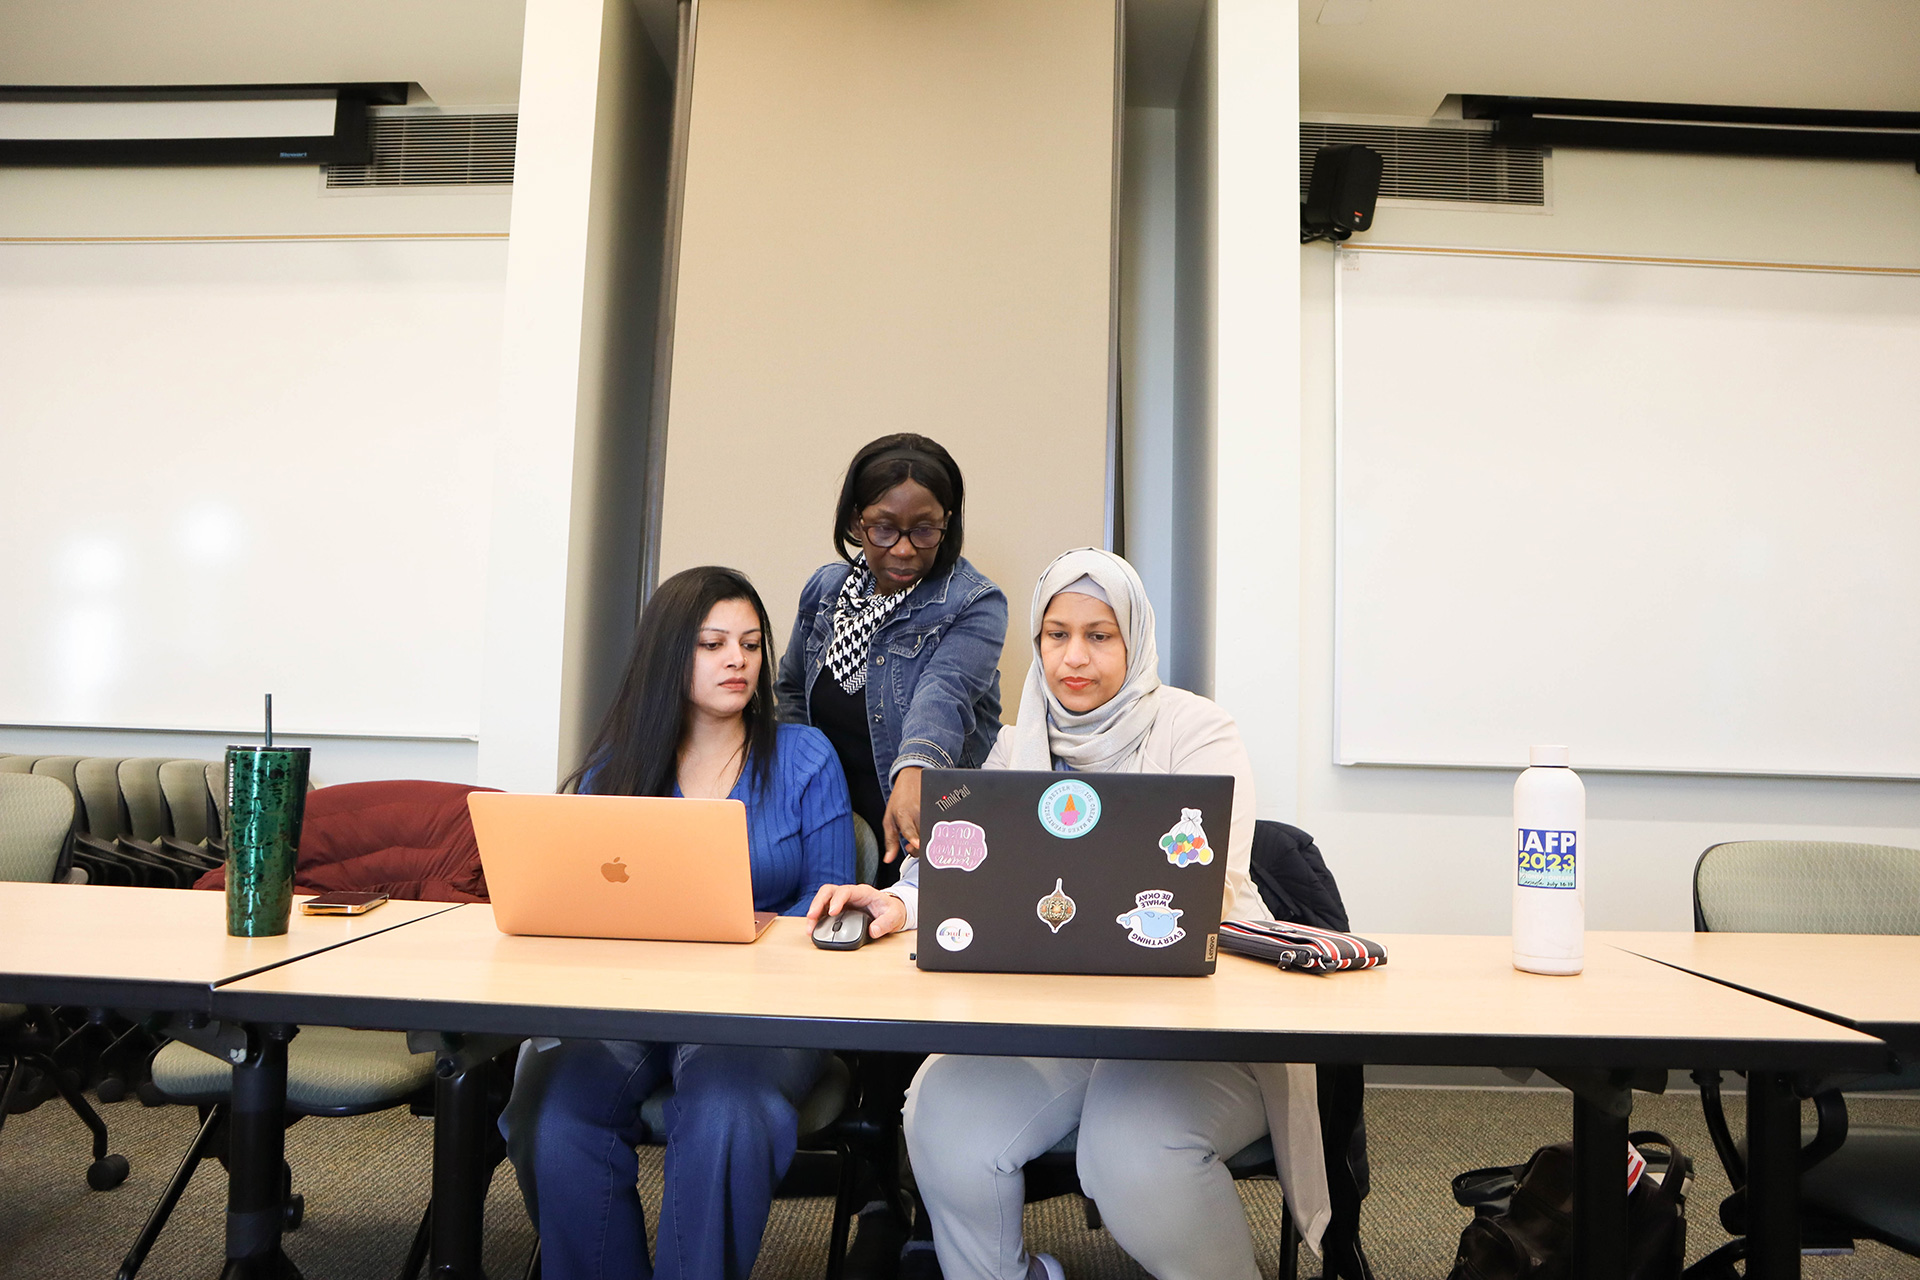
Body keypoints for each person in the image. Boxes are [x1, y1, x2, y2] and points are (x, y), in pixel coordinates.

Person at [809, 548, 1331, 1280]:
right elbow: (963, 863)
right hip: (1067, 1022)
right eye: (1056, 635)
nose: (1074, 658)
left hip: (1195, 1028)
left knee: (1129, 1153)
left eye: (1099, 635)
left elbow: (1213, 878)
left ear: (1136, 640)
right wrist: (896, 901)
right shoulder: (1019, 744)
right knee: (942, 1110)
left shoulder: (1198, 731)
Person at [501, 566, 855, 1280]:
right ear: (671, 654)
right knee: (551, 1112)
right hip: (634, 1001)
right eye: (713, 643)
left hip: (760, 1011)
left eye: (752, 645)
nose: (738, 660)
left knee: (728, 1111)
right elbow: (580, 907)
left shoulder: (806, 758)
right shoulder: (617, 768)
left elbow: (831, 911)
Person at [777, 432, 1008, 883]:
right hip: (826, 833)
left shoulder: (974, 602)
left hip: (923, 832)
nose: (904, 548)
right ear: (855, 522)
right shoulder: (826, 591)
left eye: (924, 529)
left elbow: (944, 694)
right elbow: (790, 692)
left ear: (948, 523)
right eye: (884, 528)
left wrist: (917, 767)